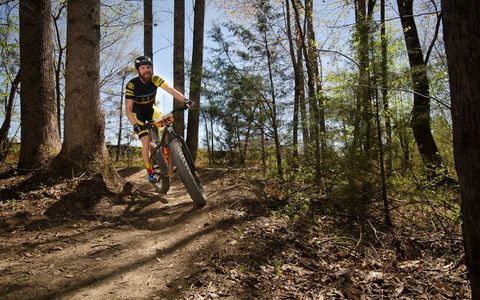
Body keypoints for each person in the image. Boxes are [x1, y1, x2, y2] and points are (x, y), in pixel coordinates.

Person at [125, 55, 192, 183]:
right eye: (143, 68)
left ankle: (171, 155)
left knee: (168, 126)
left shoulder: (155, 79)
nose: (146, 70)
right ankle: (150, 172)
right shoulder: (132, 85)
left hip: (151, 111)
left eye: (148, 67)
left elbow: (171, 90)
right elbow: (128, 109)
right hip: (137, 115)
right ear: (138, 70)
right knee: (145, 141)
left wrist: (185, 100)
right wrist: (135, 124)